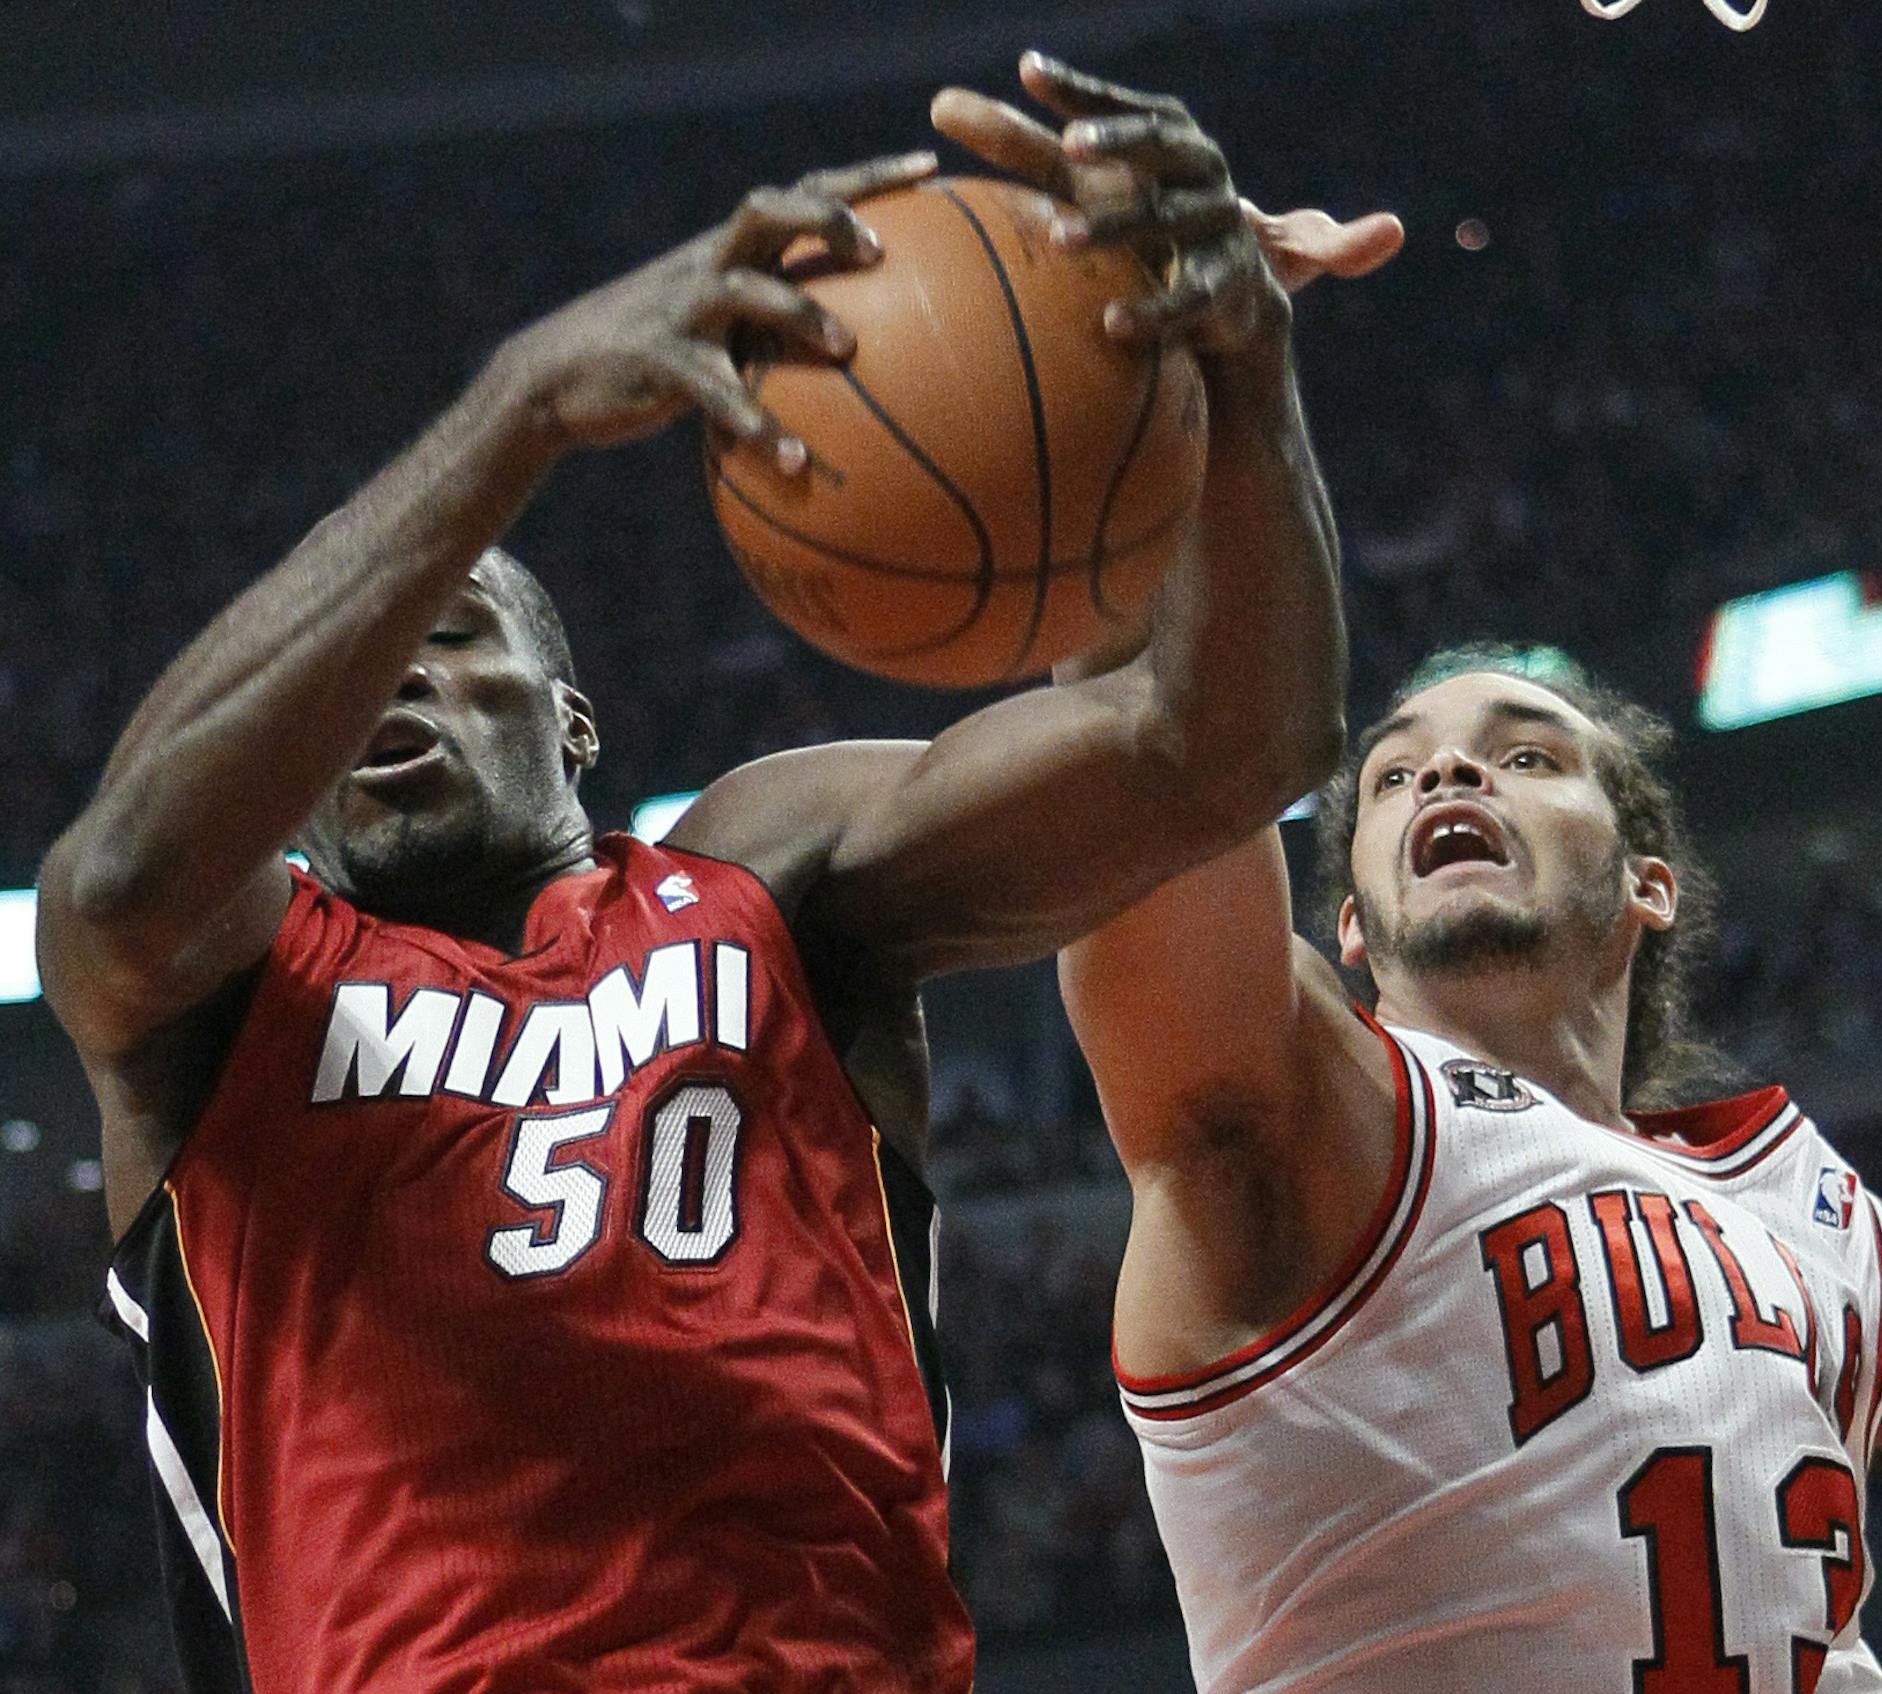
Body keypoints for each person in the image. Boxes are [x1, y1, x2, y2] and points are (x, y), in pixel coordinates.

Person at [36, 54, 1402, 1694]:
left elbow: (1223, 745)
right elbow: (116, 878)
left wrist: (1230, 369)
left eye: (455, 639)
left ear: (577, 713)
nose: (397, 678)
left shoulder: (772, 867)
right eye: (364, 660)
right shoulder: (226, 988)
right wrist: (520, 404)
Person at [1059, 641, 1882, 1692]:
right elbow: (1159, 760)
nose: (1446, 768)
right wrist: (1125, 498)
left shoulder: (1806, 1208)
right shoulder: (1305, 1115)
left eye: (1527, 755)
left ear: (1650, 884)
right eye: (1393, 773)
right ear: (1352, 923)